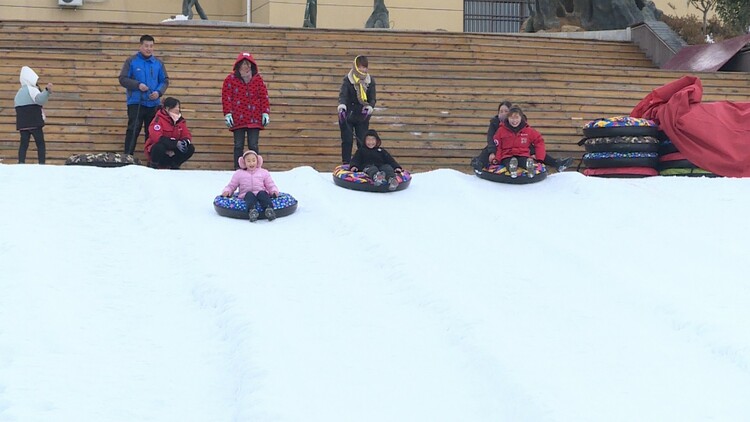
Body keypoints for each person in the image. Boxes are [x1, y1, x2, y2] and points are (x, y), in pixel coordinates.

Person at [472, 101, 572, 172]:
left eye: (506, 111)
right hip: (501, 148)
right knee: (488, 150)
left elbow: (530, 139)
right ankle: (479, 163)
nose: (503, 114)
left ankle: (556, 163)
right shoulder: (495, 123)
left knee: (532, 150)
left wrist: (536, 155)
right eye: (501, 111)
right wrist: (494, 155)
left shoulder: (521, 124)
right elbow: (491, 139)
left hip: (520, 148)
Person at [119, 34, 170, 156]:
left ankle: (151, 159)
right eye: (146, 46)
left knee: (152, 132)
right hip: (136, 102)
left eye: (151, 46)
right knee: (133, 130)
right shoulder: (131, 61)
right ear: (140, 46)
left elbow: (165, 81)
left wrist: (158, 92)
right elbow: (123, 79)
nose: (148, 49)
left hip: (153, 104)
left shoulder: (158, 63)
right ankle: (127, 157)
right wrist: (137, 85)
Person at [221, 52, 270, 169]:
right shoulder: (230, 79)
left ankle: (255, 168)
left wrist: (265, 112)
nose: (245, 66)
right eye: (243, 64)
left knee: (253, 145)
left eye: (248, 64)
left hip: (255, 118)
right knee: (238, 145)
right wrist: (227, 113)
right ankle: (238, 168)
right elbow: (226, 97)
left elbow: (264, 96)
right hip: (238, 118)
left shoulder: (258, 80)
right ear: (238, 65)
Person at [221, 150, 280, 222]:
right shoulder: (239, 174)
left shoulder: (263, 172)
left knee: (262, 193)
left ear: (257, 161)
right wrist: (227, 191)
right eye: (248, 161)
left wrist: (274, 191)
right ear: (244, 162)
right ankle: (252, 211)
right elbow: (232, 185)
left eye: (253, 160)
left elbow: (270, 184)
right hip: (246, 195)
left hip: (260, 194)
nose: (251, 163)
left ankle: (269, 210)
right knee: (249, 195)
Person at [338, 55, 376, 164]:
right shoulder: (348, 80)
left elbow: (372, 98)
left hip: (362, 116)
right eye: (360, 67)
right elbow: (343, 95)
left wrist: (369, 108)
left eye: (365, 67)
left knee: (362, 141)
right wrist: (342, 108)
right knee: (347, 140)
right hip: (348, 115)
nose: (362, 70)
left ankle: (362, 163)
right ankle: (346, 163)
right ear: (355, 67)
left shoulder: (370, 81)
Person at [491, 106, 547, 179]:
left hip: (522, 154)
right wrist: (497, 159)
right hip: (507, 155)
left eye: (517, 118)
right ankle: (512, 169)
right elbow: (498, 146)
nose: (514, 121)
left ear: (521, 118)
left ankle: (529, 167)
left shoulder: (528, 130)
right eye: (512, 118)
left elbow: (539, 141)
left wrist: (539, 158)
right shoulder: (501, 131)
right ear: (508, 118)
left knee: (524, 161)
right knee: (509, 162)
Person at [14, 66, 52, 164]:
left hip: (23, 124)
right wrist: (46, 91)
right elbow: (40, 100)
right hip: (34, 122)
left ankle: (21, 163)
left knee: (23, 144)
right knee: (40, 144)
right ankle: (42, 163)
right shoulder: (32, 89)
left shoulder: (18, 93)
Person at [145, 97, 195, 169]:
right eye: (175, 107)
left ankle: (175, 164)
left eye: (178, 107)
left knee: (190, 148)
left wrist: (184, 142)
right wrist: (175, 143)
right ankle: (154, 164)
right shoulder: (158, 119)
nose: (178, 109)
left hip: (174, 150)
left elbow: (186, 134)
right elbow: (156, 137)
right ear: (167, 108)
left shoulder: (180, 120)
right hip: (160, 150)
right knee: (159, 147)